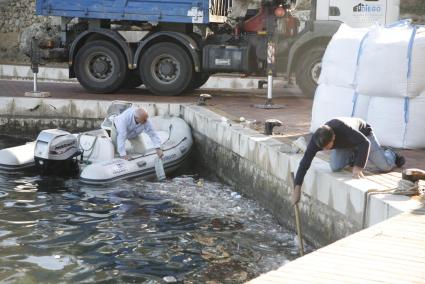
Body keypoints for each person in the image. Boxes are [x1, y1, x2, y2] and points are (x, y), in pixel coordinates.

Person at [292, 117, 405, 205]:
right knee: (335, 167)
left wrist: (358, 167)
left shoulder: (343, 128)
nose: (326, 149)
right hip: (346, 144)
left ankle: (389, 153)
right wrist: (297, 189)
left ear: (333, 138)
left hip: (364, 136)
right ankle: (355, 154)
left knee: (385, 166)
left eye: (328, 146)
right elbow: (305, 162)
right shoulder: (317, 140)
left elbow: (365, 143)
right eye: (323, 148)